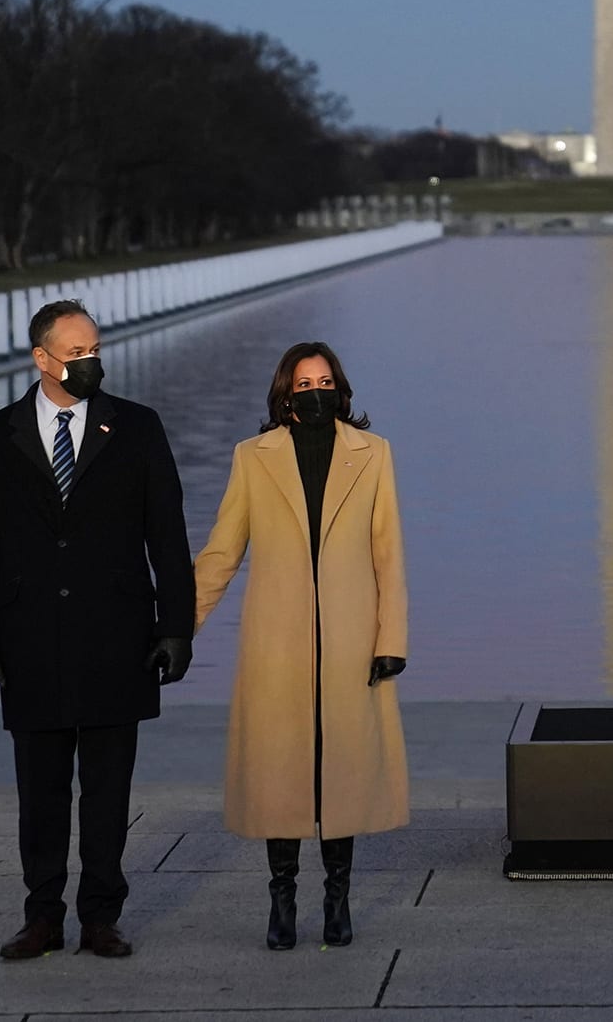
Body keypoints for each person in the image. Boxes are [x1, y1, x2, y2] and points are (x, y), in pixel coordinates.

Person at [0, 299, 195, 961]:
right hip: (29, 639)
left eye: (95, 349)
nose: (90, 361)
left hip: (117, 636)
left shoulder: (138, 428)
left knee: (108, 788)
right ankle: (42, 914)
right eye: (76, 352)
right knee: (40, 791)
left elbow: (168, 535)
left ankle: (100, 915)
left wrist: (177, 626)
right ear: (42, 358)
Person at [193, 341, 410, 950]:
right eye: (303, 382)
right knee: (283, 775)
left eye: (324, 381)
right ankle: (281, 899)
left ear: (339, 388)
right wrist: (176, 626)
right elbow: (222, 551)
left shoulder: (374, 455)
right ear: (285, 394)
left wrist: (390, 637)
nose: (314, 391)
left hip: (351, 639)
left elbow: (388, 555)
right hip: (278, 643)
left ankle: (337, 901)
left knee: (340, 773)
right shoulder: (252, 458)